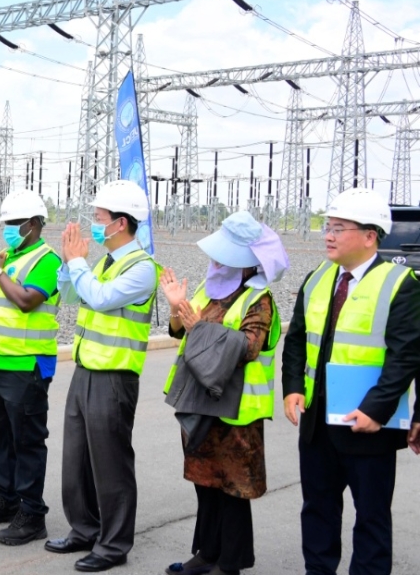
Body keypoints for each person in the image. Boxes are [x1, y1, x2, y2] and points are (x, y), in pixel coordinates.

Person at [282, 188, 420, 575]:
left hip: (369, 427)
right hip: (316, 424)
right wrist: (293, 387)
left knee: (372, 518)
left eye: (338, 228)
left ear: (369, 235)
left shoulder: (401, 283)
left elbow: (405, 356)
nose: (328, 235)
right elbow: (296, 341)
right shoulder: (318, 278)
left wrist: (376, 410)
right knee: (318, 511)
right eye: (328, 227)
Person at [160, 211, 288, 575]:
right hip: (201, 404)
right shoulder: (209, 288)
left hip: (237, 411)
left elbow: (247, 347)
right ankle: (207, 552)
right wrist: (175, 307)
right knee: (206, 483)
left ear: (246, 263)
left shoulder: (259, 300)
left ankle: (230, 561)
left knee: (232, 489)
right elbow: (180, 332)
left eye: (222, 255)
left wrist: (199, 328)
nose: (214, 261)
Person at [48, 180, 160, 573]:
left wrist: (78, 265)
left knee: (110, 464)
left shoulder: (143, 269)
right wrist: (69, 262)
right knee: (76, 458)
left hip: (114, 377)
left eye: (100, 219)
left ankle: (113, 545)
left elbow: (100, 297)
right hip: (86, 370)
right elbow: (73, 296)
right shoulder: (102, 262)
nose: (94, 226)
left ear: (122, 223)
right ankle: (83, 529)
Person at [0, 189, 62, 546]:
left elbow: (26, 301)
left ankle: (32, 513)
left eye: (12, 223)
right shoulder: (6, 258)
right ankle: (6, 499)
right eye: (5, 223)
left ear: (34, 224)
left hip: (26, 366)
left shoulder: (48, 260)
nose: (6, 229)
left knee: (27, 442)